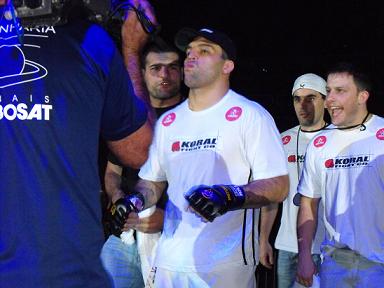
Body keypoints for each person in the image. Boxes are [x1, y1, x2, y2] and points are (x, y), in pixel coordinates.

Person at [108, 27, 289, 288]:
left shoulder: (251, 115)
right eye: (190, 51)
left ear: (227, 66)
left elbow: (278, 185)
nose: (191, 56)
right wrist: (134, 200)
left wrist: (230, 196)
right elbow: (153, 182)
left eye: (204, 51)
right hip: (169, 261)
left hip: (225, 265)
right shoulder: (170, 122)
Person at [0, 0, 155, 287]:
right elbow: (141, 150)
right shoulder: (94, 42)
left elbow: (140, 152)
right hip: (67, 271)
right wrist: (132, 50)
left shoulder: (93, 41)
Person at [101, 39, 184, 288]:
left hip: (174, 237)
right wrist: (117, 199)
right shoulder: (130, 120)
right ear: (143, 74)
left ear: (181, 72)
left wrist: (170, 217)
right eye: (155, 68)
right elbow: (112, 172)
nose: (164, 74)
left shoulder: (191, 118)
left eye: (171, 67)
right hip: (124, 235)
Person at [296, 62, 384, 287]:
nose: (329, 100)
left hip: (380, 264)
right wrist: (304, 255)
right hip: (335, 263)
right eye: (328, 92)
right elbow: (308, 203)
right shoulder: (319, 143)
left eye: (340, 91)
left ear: (362, 96)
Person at [259, 73, 327, 287]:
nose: (303, 105)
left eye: (311, 98)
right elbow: (272, 197)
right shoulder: (282, 140)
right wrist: (264, 241)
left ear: (326, 100)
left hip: (328, 247)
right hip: (287, 245)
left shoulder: (338, 139)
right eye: (297, 99)